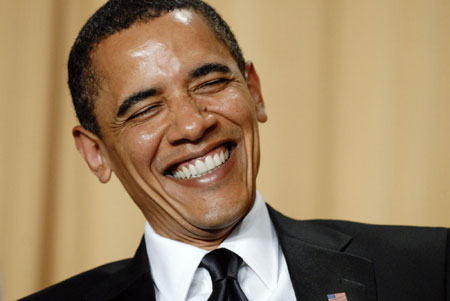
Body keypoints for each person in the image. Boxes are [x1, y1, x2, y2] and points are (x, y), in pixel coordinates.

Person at [22, 0, 449, 300]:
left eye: (211, 83)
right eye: (146, 109)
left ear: (254, 91)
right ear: (95, 153)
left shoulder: (430, 271)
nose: (193, 124)